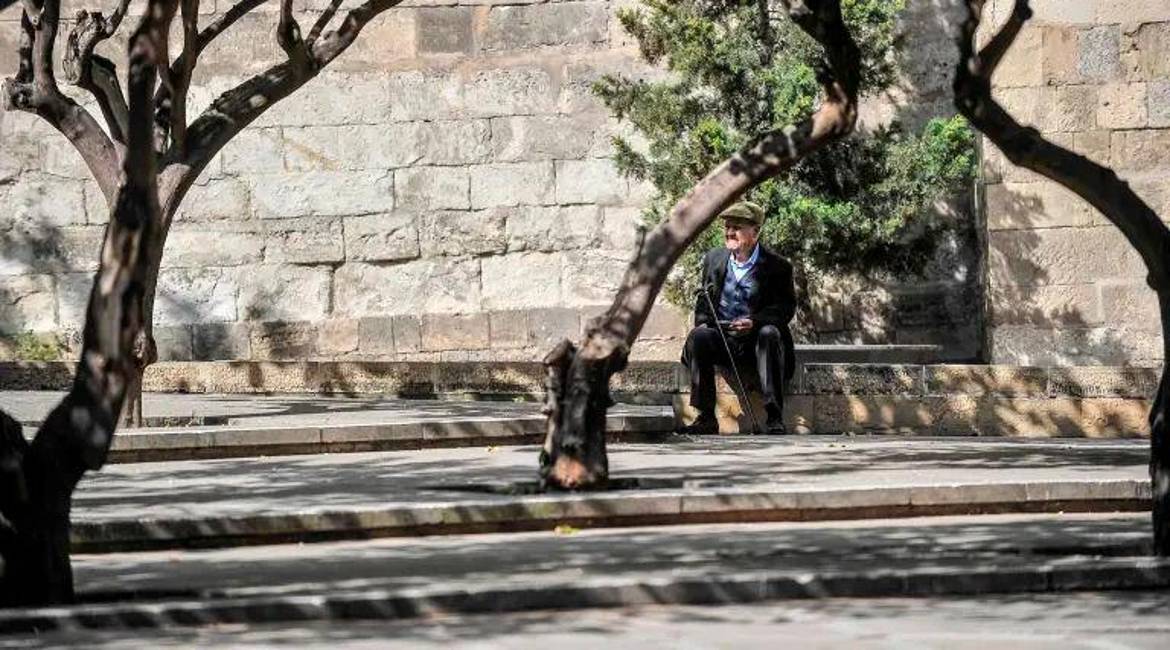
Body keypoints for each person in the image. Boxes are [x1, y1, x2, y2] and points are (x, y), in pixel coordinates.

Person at [679, 201, 797, 435]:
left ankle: (774, 416)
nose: (730, 232)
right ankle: (705, 417)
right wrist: (706, 322)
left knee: (769, 333)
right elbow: (704, 300)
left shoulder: (778, 266)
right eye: (727, 227)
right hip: (723, 337)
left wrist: (755, 322)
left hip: (756, 340)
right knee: (700, 336)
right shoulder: (714, 259)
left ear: (755, 232)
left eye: (737, 227)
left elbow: (785, 308)